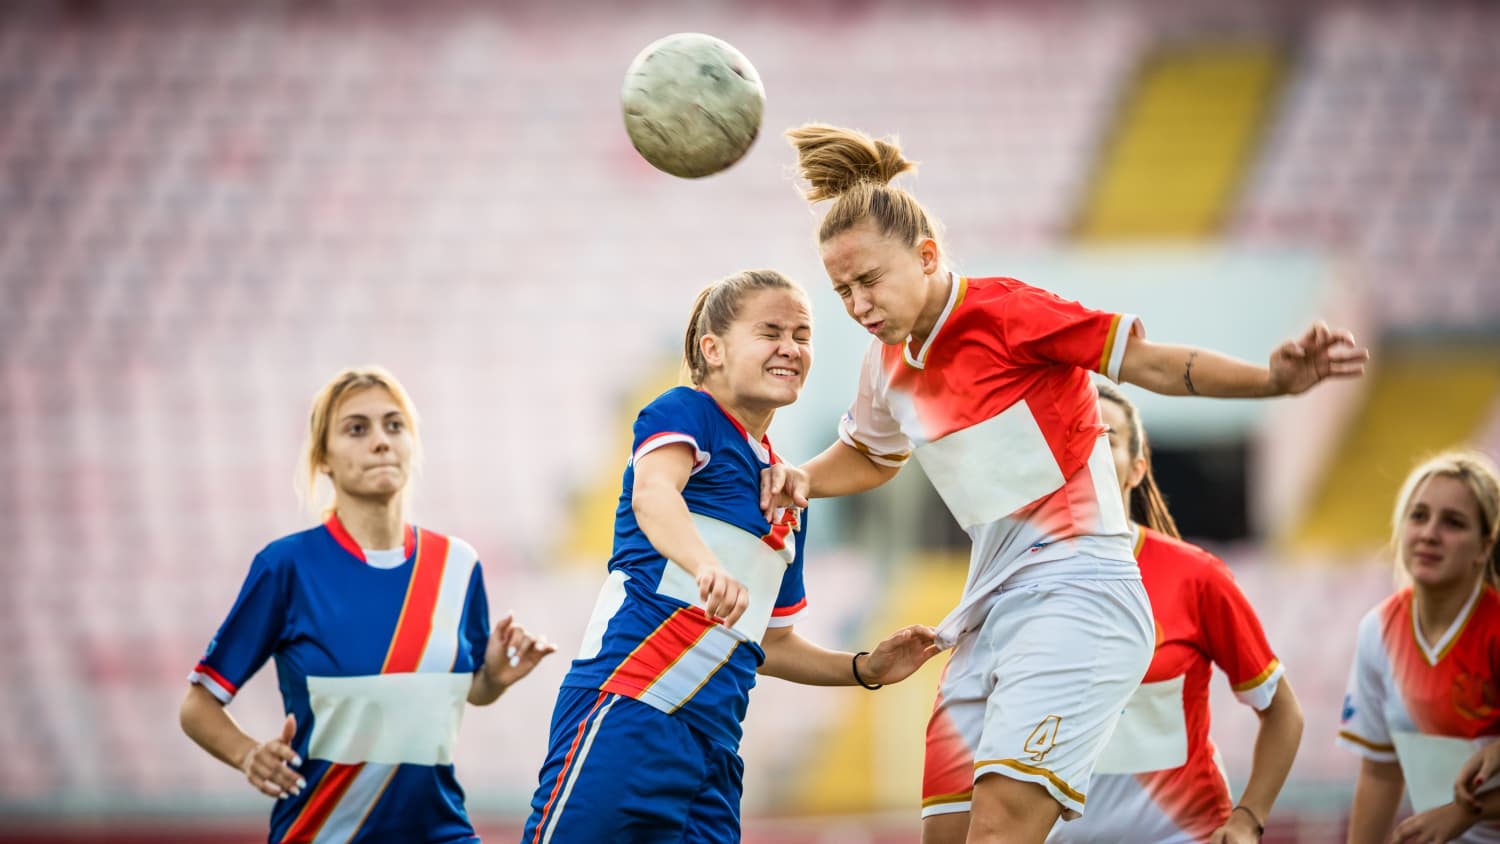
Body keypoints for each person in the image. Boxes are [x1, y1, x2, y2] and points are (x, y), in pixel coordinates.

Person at [761, 124, 1370, 844]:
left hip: (1080, 596)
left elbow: (1144, 362)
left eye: (869, 280)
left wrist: (1271, 380)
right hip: (991, 614)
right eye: (841, 290)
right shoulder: (883, 365)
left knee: (998, 835)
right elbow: (869, 456)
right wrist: (799, 478)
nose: (858, 303)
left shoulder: (1009, 312)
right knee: (950, 838)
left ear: (926, 256)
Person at [521, 270, 941, 844]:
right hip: (628, 710)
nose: (791, 348)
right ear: (712, 350)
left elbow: (771, 642)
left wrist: (862, 670)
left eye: (802, 334)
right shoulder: (685, 412)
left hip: (715, 752)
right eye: (770, 331)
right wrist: (705, 566)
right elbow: (653, 494)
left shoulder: (788, 491)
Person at [179, 366, 556, 843]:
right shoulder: (287, 568)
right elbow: (198, 704)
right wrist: (249, 754)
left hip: (442, 832)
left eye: (394, 425)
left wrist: (494, 679)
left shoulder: (458, 566)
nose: (380, 441)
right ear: (324, 459)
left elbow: (461, 690)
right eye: (357, 429)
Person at [1045, 381, 1303, 844]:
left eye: (1106, 436)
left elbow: (1284, 713)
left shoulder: (1196, 577)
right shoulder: (1019, 580)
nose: (1088, 445)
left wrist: (1248, 818)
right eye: (1074, 432)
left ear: (1137, 468)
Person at [1338, 450, 1500, 844]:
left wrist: (1463, 812)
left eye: (1453, 523)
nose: (1429, 533)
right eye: (1419, 516)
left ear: (1484, 547)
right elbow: (1380, 771)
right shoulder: (1378, 630)